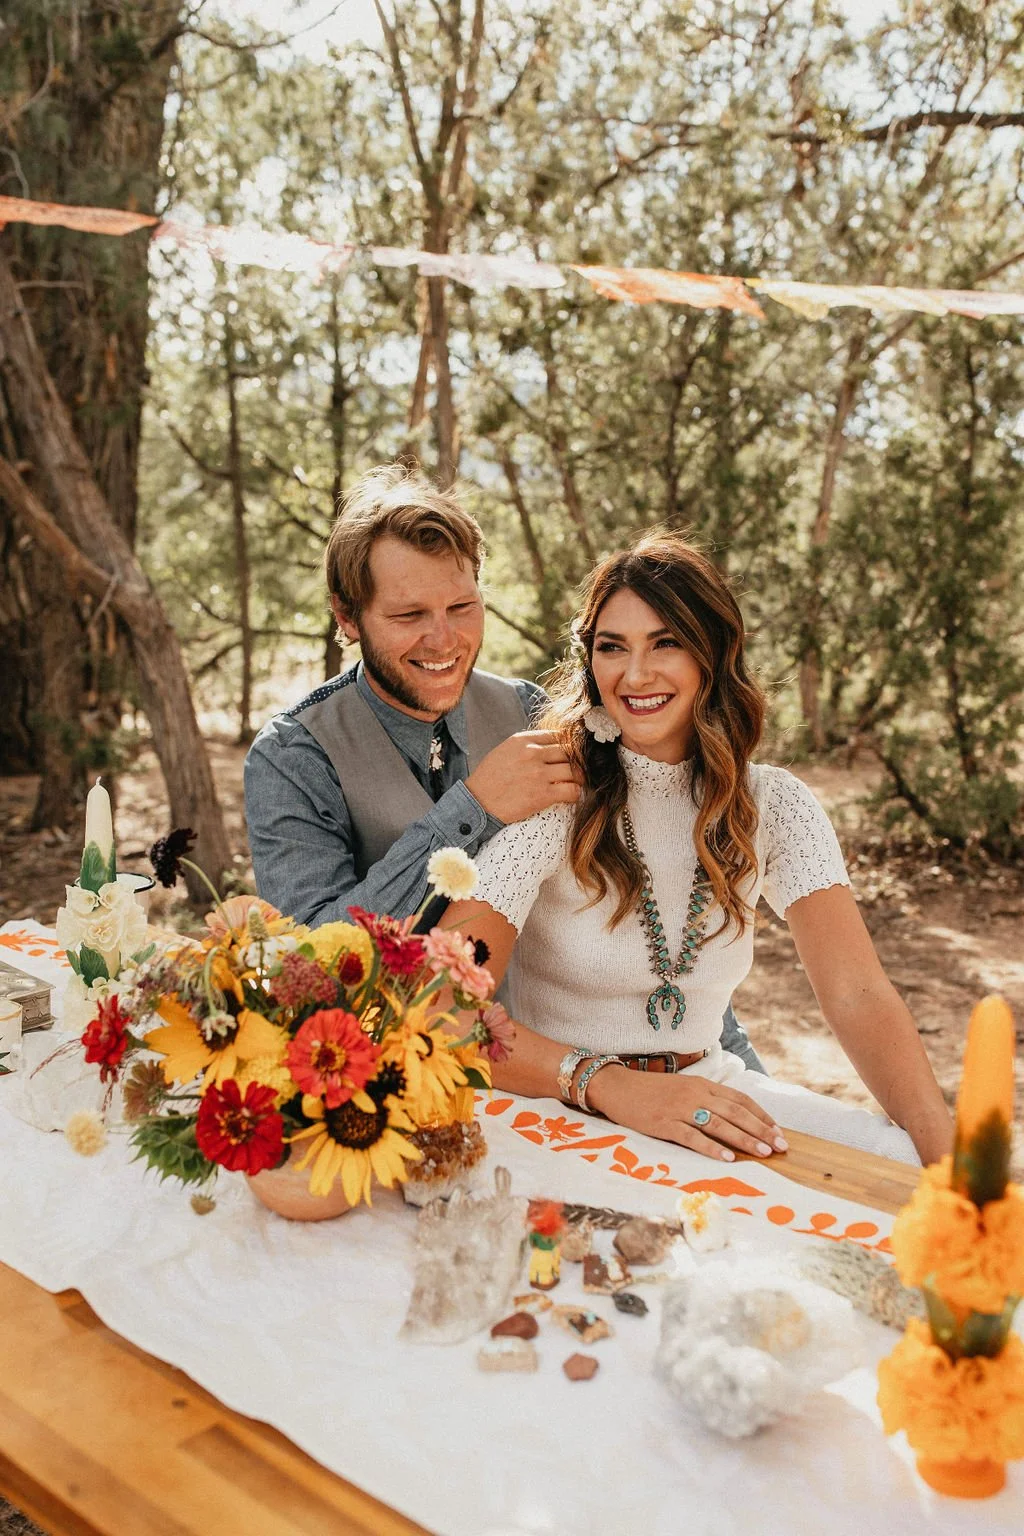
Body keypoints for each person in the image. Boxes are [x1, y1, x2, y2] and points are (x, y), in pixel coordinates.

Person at [441, 532, 954, 1167]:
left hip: (712, 1093)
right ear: (590, 664)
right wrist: (609, 1084)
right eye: (612, 647)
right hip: (560, 1104)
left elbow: (857, 993)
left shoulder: (774, 806)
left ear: (712, 655)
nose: (636, 674)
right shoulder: (552, 799)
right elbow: (443, 1011)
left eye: (667, 642)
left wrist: (952, 1166)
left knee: (898, 1167)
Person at [244, 466, 765, 1072]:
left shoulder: (535, 715)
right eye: (409, 615)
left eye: (462, 606)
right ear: (346, 616)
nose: (445, 640)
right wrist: (472, 811)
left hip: (559, 1075)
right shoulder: (293, 756)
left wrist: (739, 1063)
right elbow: (311, 969)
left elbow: (664, 905)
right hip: (384, 1083)